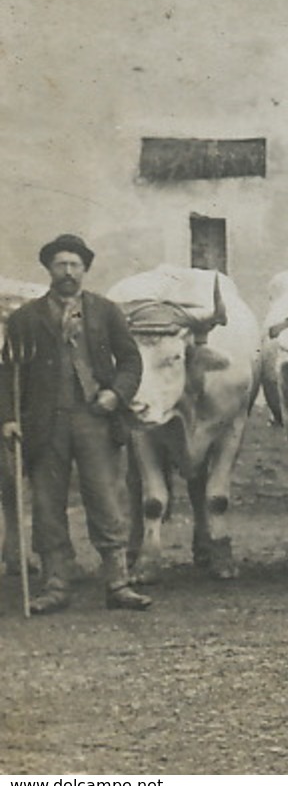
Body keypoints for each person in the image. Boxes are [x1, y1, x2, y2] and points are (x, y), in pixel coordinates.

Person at [0, 234, 148, 613]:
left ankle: (118, 583)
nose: (67, 272)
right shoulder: (25, 318)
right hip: (44, 424)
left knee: (105, 498)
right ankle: (55, 585)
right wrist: (9, 419)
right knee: (48, 504)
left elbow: (131, 362)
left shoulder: (105, 312)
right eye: (60, 264)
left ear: (85, 269)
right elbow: (8, 373)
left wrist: (115, 394)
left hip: (95, 419)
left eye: (74, 265)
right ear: (48, 269)